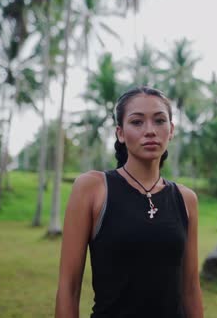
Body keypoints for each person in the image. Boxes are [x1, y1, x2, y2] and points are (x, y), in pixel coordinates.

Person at [55, 86, 204, 318]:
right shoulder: (93, 188)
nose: (150, 131)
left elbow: (191, 289)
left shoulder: (186, 199)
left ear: (171, 130)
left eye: (159, 121)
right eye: (137, 122)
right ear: (120, 133)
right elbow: (69, 287)